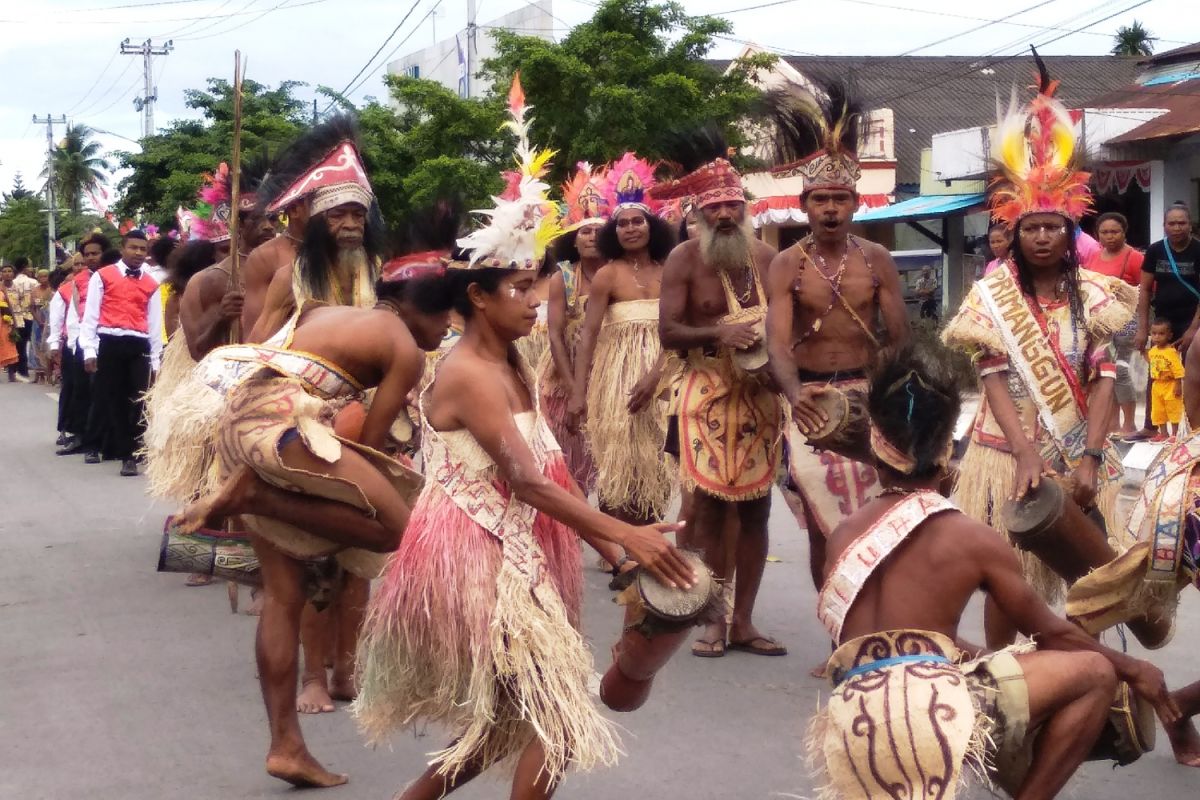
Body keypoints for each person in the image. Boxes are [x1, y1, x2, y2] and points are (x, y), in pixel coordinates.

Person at [352, 85, 694, 797]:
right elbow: (529, 483)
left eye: (538, 284)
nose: (538, 300)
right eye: (521, 287)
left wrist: (608, 546)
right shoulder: (471, 372)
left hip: (517, 549)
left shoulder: (511, 361)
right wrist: (625, 538)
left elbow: (546, 473)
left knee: (508, 729)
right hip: (480, 558)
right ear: (477, 296)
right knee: (556, 722)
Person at [811, 343, 1179, 800]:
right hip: (927, 716)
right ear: (948, 446)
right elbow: (1055, 636)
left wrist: (980, 656)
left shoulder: (844, 534)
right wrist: (1132, 667)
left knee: (987, 664)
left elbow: (886, 645)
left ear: (875, 442)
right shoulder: (969, 536)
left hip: (852, 722)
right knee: (1093, 673)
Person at [942, 66, 1135, 648]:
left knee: (1084, 582)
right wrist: (1025, 455)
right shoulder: (991, 299)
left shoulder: (1097, 298)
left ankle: (1084, 684)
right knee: (1009, 579)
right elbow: (994, 379)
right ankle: (1004, 682)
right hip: (1005, 453)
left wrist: (1093, 459)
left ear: (1068, 231)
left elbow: (1105, 379)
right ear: (1016, 232)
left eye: (1054, 227)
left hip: (1078, 449)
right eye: (1033, 228)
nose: (1044, 238)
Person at [764, 80, 909, 594]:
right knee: (825, 527)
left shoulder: (877, 260)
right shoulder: (786, 265)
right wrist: (795, 394)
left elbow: (898, 338)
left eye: (840, 199)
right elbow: (777, 343)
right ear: (804, 204)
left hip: (869, 398)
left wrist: (893, 397)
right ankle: (838, 627)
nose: (830, 208)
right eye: (821, 199)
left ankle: (880, 616)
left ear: (855, 203)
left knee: (879, 520)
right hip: (812, 402)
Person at [652, 140, 786, 658]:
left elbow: (784, 329)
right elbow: (668, 331)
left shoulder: (769, 258)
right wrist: (720, 333)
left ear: (745, 209)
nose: (726, 214)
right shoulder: (684, 259)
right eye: (715, 207)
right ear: (700, 212)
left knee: (757, 512)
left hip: (760, 400)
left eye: (733, 205)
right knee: (705, 512)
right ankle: (711, 618)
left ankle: (745, 622)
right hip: (704, 392)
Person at [569, 153, 677, 527]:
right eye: (623, 224)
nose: (630, 229)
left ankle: (650, 542)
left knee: (660, 462)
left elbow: (678, 330)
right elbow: (587, 338)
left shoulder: (670, 270)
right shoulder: (607, 276)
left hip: (663, 376)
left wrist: (658, 374)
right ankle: (625, 552)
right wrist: (578, 393)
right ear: (612, 233)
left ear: (651, 227)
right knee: (619, 463)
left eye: (638, 222)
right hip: (615, 381)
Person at [238, 117, 361, 336]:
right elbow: (255, 341)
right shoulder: (269, 261)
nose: (350, 224)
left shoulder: (369, 260)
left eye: (358, 214)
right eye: (337, 213)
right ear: (294, 210)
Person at [538, 163, 608, 494]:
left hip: (612, 377)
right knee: (573, 468)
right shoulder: (562, 278)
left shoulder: (620, 274)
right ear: (573, 239)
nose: (592, 236)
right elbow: (554, 334)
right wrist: (571, 390)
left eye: (598, 230)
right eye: (585, 231)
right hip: (568, 378)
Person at [78, 230, 162, 476]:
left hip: (139, 344)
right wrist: (89, 351)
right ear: (123, 248)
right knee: (112, 399)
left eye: (143, 249)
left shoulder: (152, 282)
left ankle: (132, 450)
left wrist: (156, 361)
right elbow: (90, 315)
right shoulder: (103, 276)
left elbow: (155, 323)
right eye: (133, 248)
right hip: (109, 341)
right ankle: (126, 455)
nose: (138, 253)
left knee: (138, 400)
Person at [1128, 203, 1200, 440]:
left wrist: (1192, 329)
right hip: (1163, 321)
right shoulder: (1155, 251)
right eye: (1172, 223)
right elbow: (1145, 289)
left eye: (1182, 223)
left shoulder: (1198, 250)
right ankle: (1151, 426)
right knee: (1157, 371)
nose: (1177, 227)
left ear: (1190, 225)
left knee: (1190, 375)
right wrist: (1143, 328)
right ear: (1164, 226)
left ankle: (1189, 427)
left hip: (1192, 320)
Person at [1083, 212, 1143, 438]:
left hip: (1126, 324)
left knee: (1121, 371)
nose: (1109, 236)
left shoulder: (1135, 257)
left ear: (1124, 232)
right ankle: (1113, 423)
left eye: (1114, 231)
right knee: (1106, 374)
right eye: (1104, 232)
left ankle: (1129, 424)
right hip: (1100, 325)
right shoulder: (1093, 257)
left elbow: (1146, 291)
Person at [54, 235, 112, 456]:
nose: (90, 258)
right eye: (86, 254)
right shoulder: (77, 281)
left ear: (104, 253)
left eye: (94, 253)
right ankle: (80, 437)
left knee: (107, 393)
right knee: (81, 392)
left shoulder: (116, 276)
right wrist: (73, 343)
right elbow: (74, 313)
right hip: (83, 342)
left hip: (108, 341)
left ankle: (107, 440)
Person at [1147, 318, 1186, 440]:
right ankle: (1163, 433)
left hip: (1170, 384)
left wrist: (1178, 385)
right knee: (1158, 410)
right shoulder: (1152, 351)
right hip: (1157, 385)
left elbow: (1178, 370)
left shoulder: (1171, 352)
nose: (1157, 337)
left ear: (1169, 336)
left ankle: (1174, 434)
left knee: (1173, 408)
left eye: (1161, 334)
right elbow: (1152, 364)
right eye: (1154, 333)